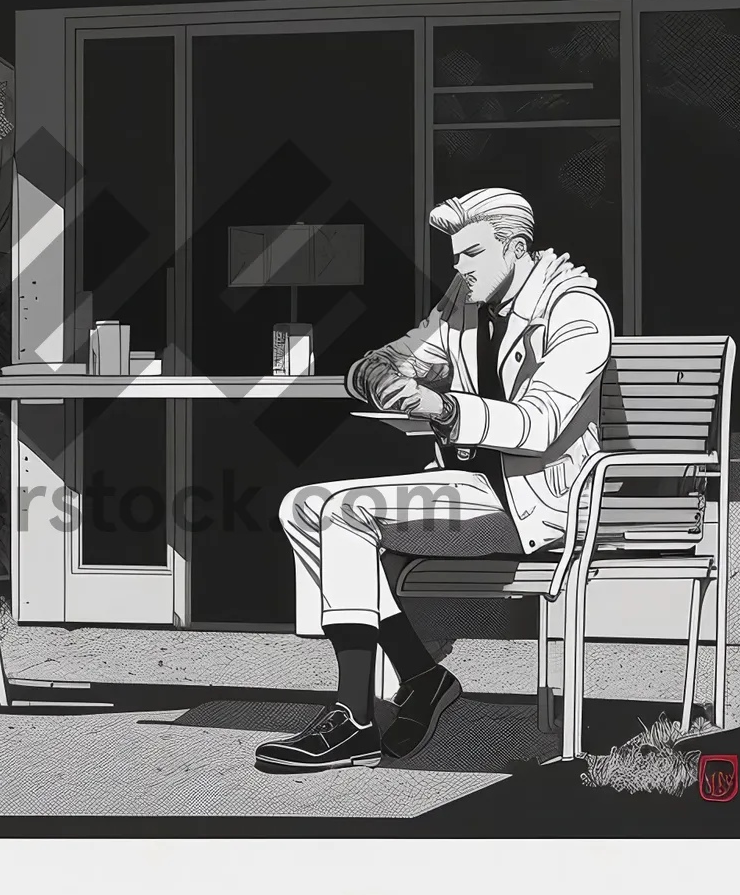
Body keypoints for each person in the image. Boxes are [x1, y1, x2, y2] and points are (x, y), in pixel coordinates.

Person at [256, 188, 613, 772]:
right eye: (455, 257)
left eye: (472, 254)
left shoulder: (577, 313)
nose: (458, 268)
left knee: (344, 511)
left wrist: (443, 408)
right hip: (468, 488)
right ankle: (421, 676)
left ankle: (355, 718)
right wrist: (377, 374)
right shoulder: (465, 301)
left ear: (516, 248)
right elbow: (404, 353)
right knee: (302, 504)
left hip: (538, 499)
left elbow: (541, 424)